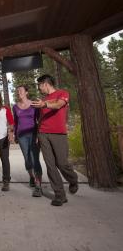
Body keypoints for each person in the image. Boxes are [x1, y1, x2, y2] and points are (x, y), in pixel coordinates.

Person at [31, 74, 78, 206]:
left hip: (59, 134)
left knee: (62, 163)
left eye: (40, 85)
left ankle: (73, 179)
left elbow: (58, 105)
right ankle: (60, 195)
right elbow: (40, 119)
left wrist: (44, 104)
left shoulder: (62, 93)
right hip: (43, 134)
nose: (39, 89)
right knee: (50, 165)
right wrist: (37, 134)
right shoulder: (43, 100)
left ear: (45, 84)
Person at [13, 85, 43, 197]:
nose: (18, 92)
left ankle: (38, 185)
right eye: (17, 91)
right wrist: (15, 135)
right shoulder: (15, 107)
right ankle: (31, 176)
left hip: (33, 134)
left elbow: (39, 120)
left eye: (21, 91)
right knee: (27, 158)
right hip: (21, 136)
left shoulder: (34, 104)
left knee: (35, 158)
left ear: (26, 92)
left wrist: (38, 135)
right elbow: (15, 122)